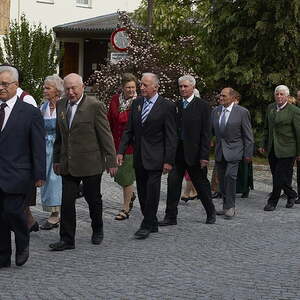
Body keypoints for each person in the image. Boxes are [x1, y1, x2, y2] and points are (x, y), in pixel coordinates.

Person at [49, 73, 117, 251]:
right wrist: (56, 159)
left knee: (93, 199)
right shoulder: (62, 104)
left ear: (82, 87)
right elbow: (60, 136)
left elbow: (105, 135)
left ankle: (98, 228)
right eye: (67, 88)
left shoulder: (94, 106)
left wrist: (111, 160)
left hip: (90, 163)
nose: (71, 92)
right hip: (68, 163)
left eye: (74, 88)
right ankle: (67, 239)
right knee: (67, 201)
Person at [117, 73, 177, 239]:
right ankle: (152, 221)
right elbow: (129, 130)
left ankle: (146, 223)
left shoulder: (167, 106)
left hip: (157, 158)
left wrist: (168, 161)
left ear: (156, 87)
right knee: (142, 192)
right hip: (139, 156)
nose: (141, 87)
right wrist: (121, 151)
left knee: (152, 191)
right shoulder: (137, 103)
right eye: (141, 84)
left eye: (145, 85)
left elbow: (172, 136)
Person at [0, 65, 45, 268]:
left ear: (16, 85)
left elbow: (38, 145)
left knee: (14, 212)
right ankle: (2, 255)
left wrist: (39, 174)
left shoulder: (29, 112)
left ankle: (22, 242)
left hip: (18, 174)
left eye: (4, 84)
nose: (1, 88)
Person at [158, 75, 216, 226]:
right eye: (181, 86)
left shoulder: (203, 106)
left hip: (195, 154)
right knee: (173, 184)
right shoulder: (175, 106)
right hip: (177, 154)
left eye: (186, 86)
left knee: (201, 185)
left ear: (193, 87)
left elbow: (206, 133)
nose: (183, 89)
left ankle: (210, 212)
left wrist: (204, 156)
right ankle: (170, 216)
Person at [212, 87, 254, 219]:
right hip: (220, 151)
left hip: (235, 151)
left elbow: (248, 135)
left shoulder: (242, 112)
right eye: (220, 95)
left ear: (232, 97)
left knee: (230, 177)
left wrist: (248, 154)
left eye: (224, 96)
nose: (221, 98)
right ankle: (225, 206)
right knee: (222, 180)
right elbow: (211, 131)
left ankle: (231, 207)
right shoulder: (215, 111)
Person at [259, 85, 300, 211]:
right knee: (277, 175)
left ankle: (272, 202)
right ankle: (292, 194)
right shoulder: (270, 108)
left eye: (282, 94)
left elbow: (298, 133)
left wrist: (299, 152)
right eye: (277, 94)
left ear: (287, 96)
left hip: (288, 149)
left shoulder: (294, 111)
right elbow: (266, 128)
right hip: (272, 148)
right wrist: (263, 144)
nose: (279, 96)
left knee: (279, 175)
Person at [107, 73, 137, 220]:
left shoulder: (139, 102)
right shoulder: (114, 100)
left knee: (126, 177)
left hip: (130, 146)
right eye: (128, 87)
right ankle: (131, 195)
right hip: (115, 143)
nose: (131, 90)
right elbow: (110, 120)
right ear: (122, 88)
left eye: (133, 87)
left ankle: (125, 209)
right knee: (118, 176)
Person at [39, 75, 64, 230]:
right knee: (46, 181)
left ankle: (56, 214)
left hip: (59, 148)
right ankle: (52, 210)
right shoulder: (43, 107)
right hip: (44, 149)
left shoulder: (63, 106)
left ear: (57, 90)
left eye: (48, 87)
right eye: (44, 87)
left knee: (56, 180)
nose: (44, 89)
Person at [233, 90, 254, 198]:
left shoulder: (243, 112)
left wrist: (248, 150)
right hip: (234, 146)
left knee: (245, 170)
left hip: (243, 145)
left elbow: (247, 133)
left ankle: (245, 188)